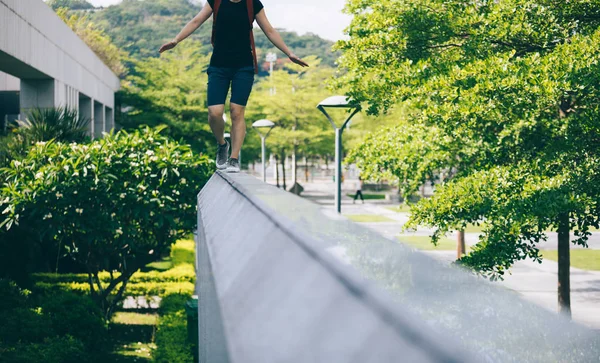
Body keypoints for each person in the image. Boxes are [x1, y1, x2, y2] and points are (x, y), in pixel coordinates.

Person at [159, 0, 309, 173]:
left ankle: (234, 158)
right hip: (218, 66)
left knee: (236, 111)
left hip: (243, 67)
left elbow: (269, 30)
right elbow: (196, 21)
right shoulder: (216, 1)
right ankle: (222, 144)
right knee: (215, 113)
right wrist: (175, 40)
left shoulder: (252, 4)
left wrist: (289, 53)